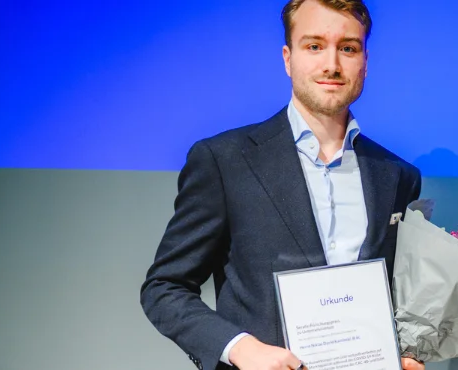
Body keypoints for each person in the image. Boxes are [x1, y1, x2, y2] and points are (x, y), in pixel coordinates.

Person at [139, 1, 425, 370]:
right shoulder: (225, 159)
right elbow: (164, 288)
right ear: (288, 58)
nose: (332, 65)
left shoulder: (398, 176)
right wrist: (240, 348)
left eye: (348, 48)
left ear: (365, 61)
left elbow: (395, 296)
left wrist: (402, 352)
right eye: (314, 46)